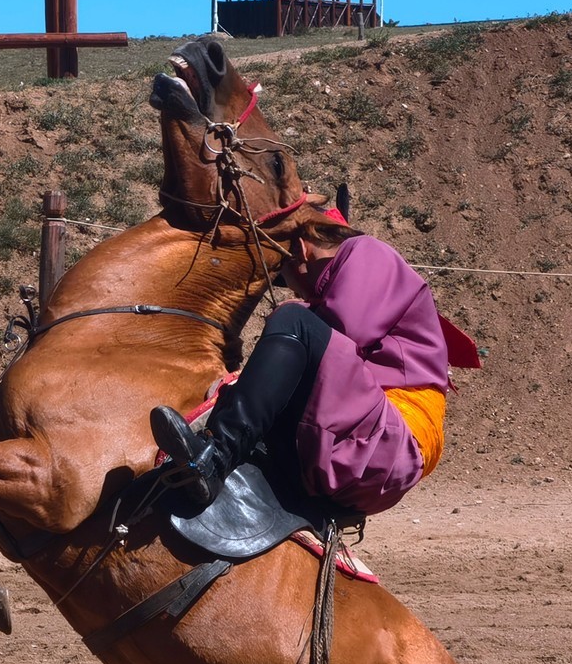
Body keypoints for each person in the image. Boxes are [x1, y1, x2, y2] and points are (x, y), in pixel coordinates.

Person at [151, 213, 461, 516]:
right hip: (363, 445)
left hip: (391, 442)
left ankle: (214, 460)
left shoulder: (367, 250)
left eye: (285, 277)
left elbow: (341, 334)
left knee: (293, 320)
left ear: (301, 250)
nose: (296, 289)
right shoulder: (357, 283)